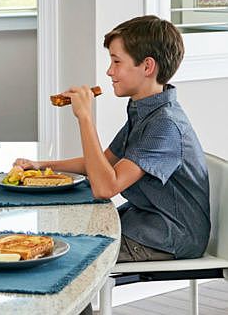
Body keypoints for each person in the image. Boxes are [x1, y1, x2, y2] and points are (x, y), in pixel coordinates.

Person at [14, 15, 210, 264]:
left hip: (167, 236)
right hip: (144, 220)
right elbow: (100, 164)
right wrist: (41, 166)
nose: (109, 71)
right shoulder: (144, 110)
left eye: (116, 62)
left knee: (61, 257)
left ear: (147, 67)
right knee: (56, 241)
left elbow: (105, 186)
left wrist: (85, 118)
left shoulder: (165, 126)